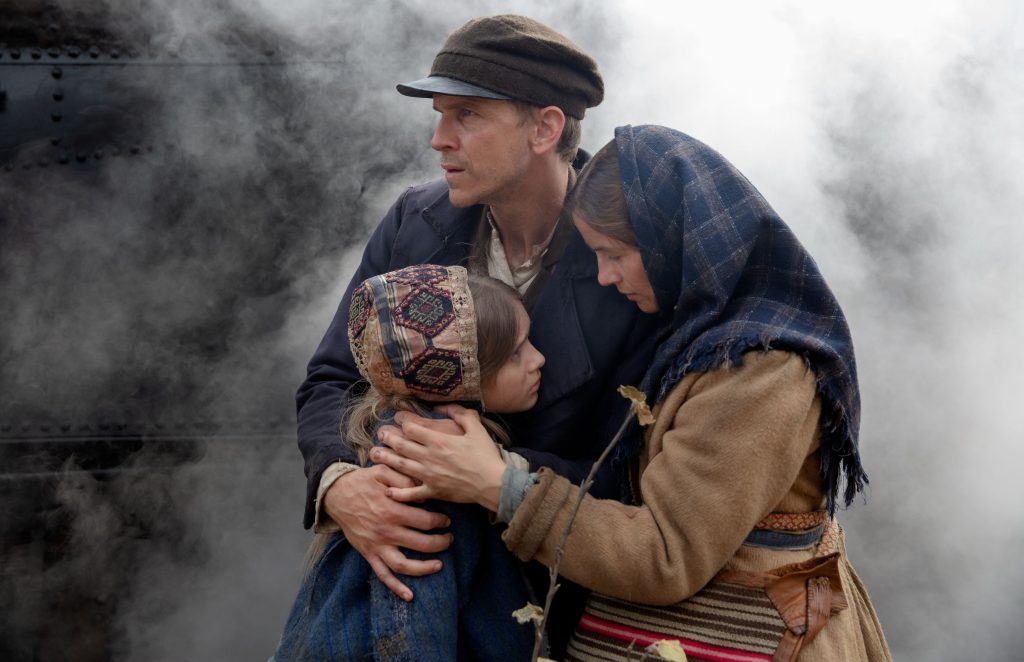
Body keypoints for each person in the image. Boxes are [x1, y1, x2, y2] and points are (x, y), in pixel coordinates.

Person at [374, 125, 893, 660]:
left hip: (753, 641)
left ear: (674, 242)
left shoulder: (761, 370)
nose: (603, 276)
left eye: (615, 253)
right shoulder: (691, 333)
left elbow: (666, 556)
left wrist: (498, 484)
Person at [295, 14, 658, 654]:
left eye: (466, 115)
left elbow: (634, 464)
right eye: (439, 115)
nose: (439, 139)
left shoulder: (627, 252)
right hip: (398, 571)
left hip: (561, 599)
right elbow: (332, 379)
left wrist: (490, 475)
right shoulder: (414, 219)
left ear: (545, 128)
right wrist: (341, 487)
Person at [276, 265, 542, 660]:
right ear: (464, 375)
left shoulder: (425, 440)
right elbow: (410, 628)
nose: (538, 359)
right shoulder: (425, 472)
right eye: (515, 353)